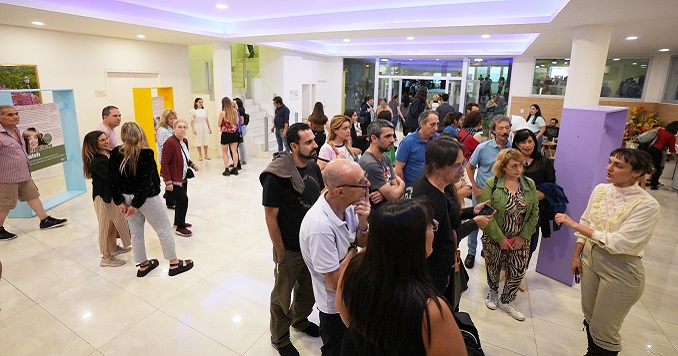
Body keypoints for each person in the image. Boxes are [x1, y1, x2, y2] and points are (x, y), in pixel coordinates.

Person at [555, 148, 660, 356]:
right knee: (590, 316)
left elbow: (618, 243)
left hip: (621, 270)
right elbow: (588, 220)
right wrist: (577, 254)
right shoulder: (601, 189)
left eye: (618, 165)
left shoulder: (647, 205)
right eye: (610, 162)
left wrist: (573, 225)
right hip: (589, 261)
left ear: (637, 172)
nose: (609, 168)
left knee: (604, 329)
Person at [335, 200, 468, 355]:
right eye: (431, 225)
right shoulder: (430, 309)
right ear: (416, 240)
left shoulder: (356, 266)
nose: (434, 230)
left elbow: (341, 306)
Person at [260, 123, 323, 356]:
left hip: (311, 245)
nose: (315, 145)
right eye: (309, 142)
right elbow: (270, 216)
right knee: (282, 295)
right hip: (289, 248)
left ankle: (300, 320)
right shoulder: (276, 176)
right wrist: (280, 249)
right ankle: (279, 337)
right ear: (294, 146)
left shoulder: (314, 167)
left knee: (308, 289)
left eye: (314, 140)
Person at [411, 135, 493, 310]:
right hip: (433, 270)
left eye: (463, 163)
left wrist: (473, 211)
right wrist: (475, 223)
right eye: (457, 165)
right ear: (436, 165)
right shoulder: (428, 196)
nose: (462, 170)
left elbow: (448, 219)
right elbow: (449, 235)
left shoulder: (441, 188)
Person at [299, 159, 370, 356]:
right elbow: (334, 282)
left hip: (351, 292)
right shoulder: (320, 227)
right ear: (339, 190)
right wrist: (353, 250)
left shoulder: (348, 205)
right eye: (361, 182)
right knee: (335, 349)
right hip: (334, 307)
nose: (367, 185)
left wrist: (363, 223)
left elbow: (362, 241)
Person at [110, 122, 194, 277]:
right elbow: (145, 182)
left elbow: (113, 181)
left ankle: (143, 264)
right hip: (146, 198)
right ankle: (174, 263)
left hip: (126, 198)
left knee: (135, 232)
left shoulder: (116, 152)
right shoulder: (146, 153)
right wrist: (136, 204)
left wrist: (120, 202)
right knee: (163, 229)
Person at [481, 148, 539, 321]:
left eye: (521, 165)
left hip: (520, 239)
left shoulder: (529, 184)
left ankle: (506, 300)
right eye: (514, 166)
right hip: (495, 237)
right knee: (493, 266)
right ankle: (492, 292)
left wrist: (523, 237)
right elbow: (486, 212)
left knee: (518, 270)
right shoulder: (492, 183)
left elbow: (535, 212)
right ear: (503, 166)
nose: (519, 169)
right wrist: (500, 238)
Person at [0, 105, 67, 241]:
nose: (15, 117)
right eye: (10, 115)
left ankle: (45, 220)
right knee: (5, 205)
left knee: (33, 196)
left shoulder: (16, 130)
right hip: (7, 177)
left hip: (24, 174)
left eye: (16, 114)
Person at [465, 115, 512, 269]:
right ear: (493, 131)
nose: (505, 131)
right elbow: (469, 167)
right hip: (482, 193)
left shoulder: (512, 148)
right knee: (476, 223)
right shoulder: (483, 148)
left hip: (502, 195)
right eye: (501, 128)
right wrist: (475, 188)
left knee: (495, 224)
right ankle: (471, 252)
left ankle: (487, 250)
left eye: (507, 127)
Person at [512, 129, 556, 291]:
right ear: (516, 144)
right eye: (523, 142)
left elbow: (552, 186)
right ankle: (506, 269)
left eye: (530, 141)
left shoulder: (544, 162)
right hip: (512, 209)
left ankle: (520, 273)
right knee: (509, 239)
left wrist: (541, 194)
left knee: (530, 242)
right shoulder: (510, 159)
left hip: (535, 211)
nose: (527, 145)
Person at [81, 130, 132, 266]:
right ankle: (106, 257)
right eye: (102, 140)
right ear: (94, 144)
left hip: (112, 196)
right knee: (105, 226)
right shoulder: (95, 161)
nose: (106, 142)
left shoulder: (108, 154)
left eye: (106, 139)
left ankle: (113, 247)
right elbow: (111, 177)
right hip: (102, 197)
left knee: (115, 223)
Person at [161, 119, 199, 237]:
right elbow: (165, 163)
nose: (182, 129)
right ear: (174, 128)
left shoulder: (184, 141)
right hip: (174, 178)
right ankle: (180, 227)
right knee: (183, 200)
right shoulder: (170, 142)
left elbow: (184, 157)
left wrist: (192, 164)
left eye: (184, 127)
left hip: (182, 176)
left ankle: (178, 221)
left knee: (179, 201)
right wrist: (168, 182)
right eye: (179, 127)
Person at [359, 119, 405, 213]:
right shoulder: (370, 164)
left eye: (393, 135)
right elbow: (394, 197)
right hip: (375, 215)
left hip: (386, 211)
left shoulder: (385, 157)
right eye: (387, 136)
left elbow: (395, 185)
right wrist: (403, 184)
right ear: (374, 138)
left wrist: (384, 194)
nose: (392, 140)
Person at [395, 110, 440, 187]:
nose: (436, 128)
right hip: (413, 188)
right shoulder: (408, 143)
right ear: (422, 124)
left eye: (437, 124)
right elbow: (398, 169)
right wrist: (403, 189)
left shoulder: (439, 140)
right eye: (432, 125)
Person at [647, 121, 678, 190]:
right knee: (658, 168)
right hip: (657, 152)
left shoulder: (660, 130)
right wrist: (676, 159)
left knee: (649, 166)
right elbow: (672, 150)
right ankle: (654, 184)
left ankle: (647, 180)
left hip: (648, 149)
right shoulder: (671, 136)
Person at [156, 109, 177, 209]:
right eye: (171, 119)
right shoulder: (162, 131)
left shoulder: (173, 128)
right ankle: (170, 201)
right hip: (167, 159)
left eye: (174, 118)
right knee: (169, 180)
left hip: (175, 158)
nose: (173, 120)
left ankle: (170, 196)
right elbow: (162, 146)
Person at [219, 97, 240, 176]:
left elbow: (218, 123)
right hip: (234, 133)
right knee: (234, 151)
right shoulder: (235, 111)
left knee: (225, 152)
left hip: (226, 134)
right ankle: (235, 168)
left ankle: (227, 169)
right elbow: (237, 122)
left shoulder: (223, 113)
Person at [234, 98, 249, 165]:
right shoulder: (240, 110)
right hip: (242, 128)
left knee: (241, 144)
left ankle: (243, 159)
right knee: (240, 144)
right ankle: (243, 159)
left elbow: (241, 121)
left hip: (241, 128)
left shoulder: (240, 110)